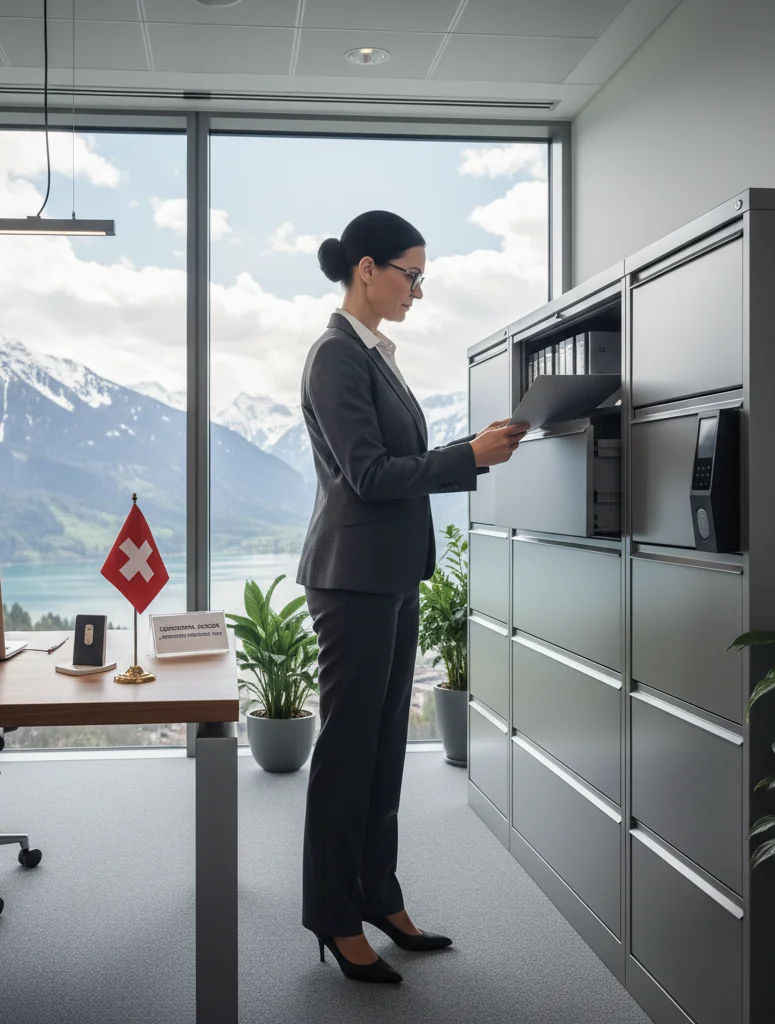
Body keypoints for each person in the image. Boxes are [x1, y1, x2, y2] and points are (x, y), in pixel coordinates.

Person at [297, 210, 528, 984]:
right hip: (352, 580)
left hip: (390, 576)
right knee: (347, 753)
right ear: (368, 268)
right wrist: (467, 454)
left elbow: (395, 462)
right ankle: (333, 916)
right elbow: (367, 475)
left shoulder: (374, 355)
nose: (418, 291)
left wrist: (469, 450)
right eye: (411, 274)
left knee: (384, 750)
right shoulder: (336, 355)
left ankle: (377, 893)